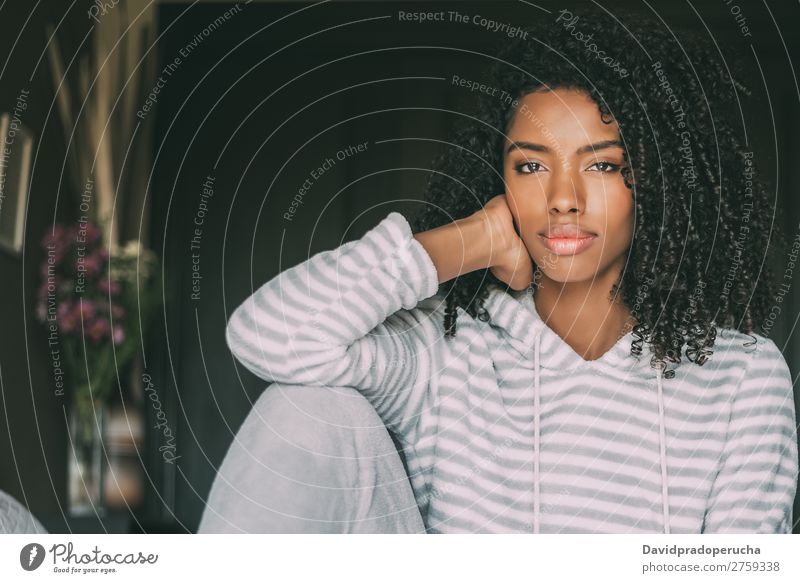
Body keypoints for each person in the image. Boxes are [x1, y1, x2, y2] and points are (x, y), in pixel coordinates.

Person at [199, 9, 798, 534]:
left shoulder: (742, 378)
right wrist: (471, 239)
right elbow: (269, 335)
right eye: (532, 167)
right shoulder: (446, 349)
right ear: (500, 180)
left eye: (604, 166)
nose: (563, 197)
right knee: (308, 408)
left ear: (662, 182)